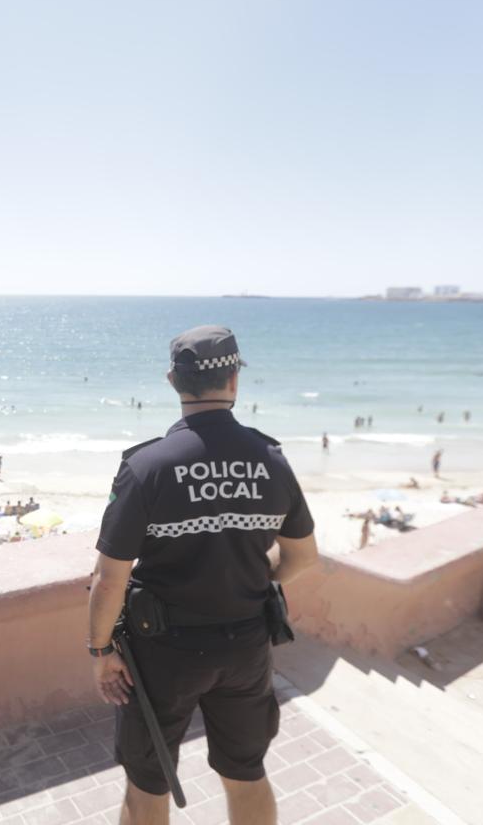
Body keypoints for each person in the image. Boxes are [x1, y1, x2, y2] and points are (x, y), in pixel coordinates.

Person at [87, 325, 318, 825]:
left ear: (174, 381)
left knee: (148, 782)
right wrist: (255, 581)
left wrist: (101, 651)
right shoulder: (271, 460)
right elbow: (303, 558)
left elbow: (109, 579)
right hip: (246, 644)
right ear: (234, 381)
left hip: (162, 653)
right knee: (246, 772)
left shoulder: (146, 466)